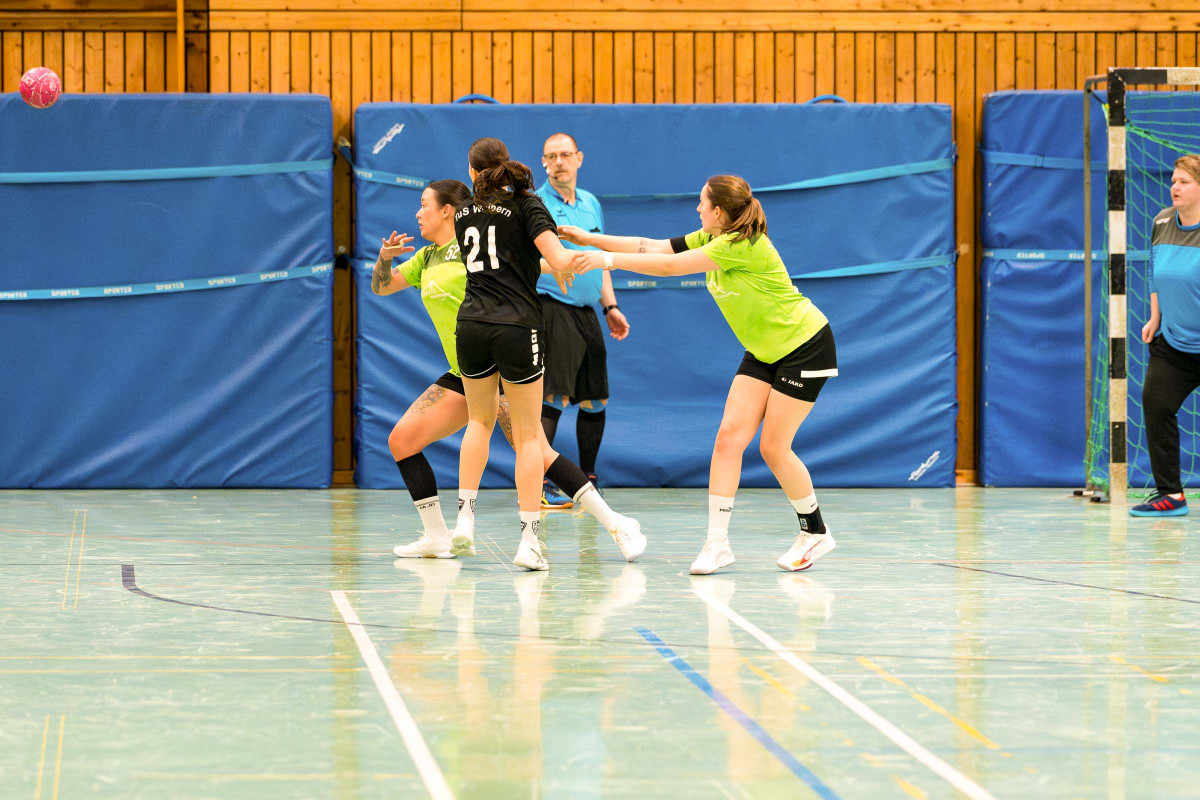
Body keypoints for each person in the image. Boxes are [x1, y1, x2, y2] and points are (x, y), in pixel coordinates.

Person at [562, 174, 836, 575]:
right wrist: (592, 240)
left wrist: (606, 260)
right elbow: (654, 246)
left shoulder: (740, 245)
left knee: (774, 447)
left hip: (804, 346)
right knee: (728, 440)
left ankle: (815, 532)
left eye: (702, 203)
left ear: (719, 211)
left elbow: (668, 266)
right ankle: (717, 544)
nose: (697, 208)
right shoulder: (713, 236)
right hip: (764, 351)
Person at [372, 180, 637, 561]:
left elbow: (527, 264)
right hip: (464, 372)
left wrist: (560, 265)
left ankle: (615, 524)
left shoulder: (477, 247)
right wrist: (384, 258)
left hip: (501, 369)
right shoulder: (427, 258)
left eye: (424, 204)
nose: (418, 213)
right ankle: (436, 536)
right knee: (402, 441)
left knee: (538, 451)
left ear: (447, 210)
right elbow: (382, 287)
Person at [450, 137, 645, 570]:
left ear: (472, 171)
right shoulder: (528, 204)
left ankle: (464, 520)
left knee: (478, 423)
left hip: (472, 325)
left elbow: (505, 260)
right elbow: (558, 259)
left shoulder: (464, 211)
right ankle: (528, 542)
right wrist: (600, 256)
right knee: (527, 438)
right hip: (517, 326)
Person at [534, 133, 630, 509]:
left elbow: (600, 258)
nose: (559, 162)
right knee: (554, 396)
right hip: (551, 307)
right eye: (552, 156)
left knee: (594, 399)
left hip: (587, 311)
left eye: (565, 155)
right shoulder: (537, 203)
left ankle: (587, 483)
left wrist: (610, 307)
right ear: (544, 163)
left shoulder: (590, 203)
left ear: (579, 159)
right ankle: (540, 483)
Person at [1134, 154, 1200, 517]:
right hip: (1175, 343)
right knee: (1157, 404)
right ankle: (1171, 495)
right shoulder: (1161, 221)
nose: (1175, 186)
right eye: (1173, 180)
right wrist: (1155, 316)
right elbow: (1155, 271)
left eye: (1184, 182)